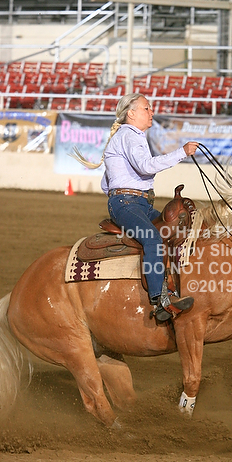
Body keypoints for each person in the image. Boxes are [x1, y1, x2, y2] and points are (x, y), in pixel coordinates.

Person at [71, 92, 199, 321]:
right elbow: (145, 166)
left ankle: (170, 287)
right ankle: (160, 300)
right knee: (153, 238)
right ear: (131, 113)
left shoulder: (128, 136)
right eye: (146, 108)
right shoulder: (129, 135)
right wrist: (181, 152)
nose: (152, 112)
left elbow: (106, 183)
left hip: (134, 204)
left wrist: (120, 191)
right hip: (128, 204)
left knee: (172, 233)